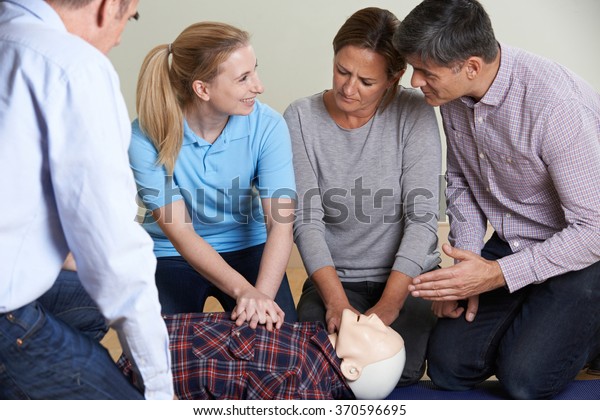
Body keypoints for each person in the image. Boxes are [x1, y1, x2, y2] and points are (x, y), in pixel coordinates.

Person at [393, 0, 600, 399]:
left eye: (425, 72)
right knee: (449, 369)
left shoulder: (556, 107)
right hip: (514, 242)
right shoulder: (451, 93)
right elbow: (461, 181)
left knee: (525, 381)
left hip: (585, 251)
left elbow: (594, 230)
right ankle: (541, 317)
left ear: (471, 65)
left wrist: (496, 276)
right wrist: (466, 266)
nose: (415, 82)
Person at [0, 0, 174, 399]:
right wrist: (161, 393)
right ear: (109, 6)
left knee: (90, 302)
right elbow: (117, 259)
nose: (118, 39)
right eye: (129, 19)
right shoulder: (72, 66)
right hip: (6, 317)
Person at [283, 7, 441, 386]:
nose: (348, 89)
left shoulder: (414, 111)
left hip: (408, 279)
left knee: (396, 372)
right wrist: (337, 302)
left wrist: (390, 306)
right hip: (338, 279)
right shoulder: (300, 117)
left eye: (366, 81)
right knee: (321, 365)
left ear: (393, 78)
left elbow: (422, 219)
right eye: (342, 71)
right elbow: (306, 220)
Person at [129, 21, 297, 328]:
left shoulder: (269, 126)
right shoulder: (145, 137)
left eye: (254, 71)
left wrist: (261, 298)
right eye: (243, 78)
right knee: (160, 350)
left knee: (279, 339)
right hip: (171, 254)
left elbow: (280, 225)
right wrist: (243, 290)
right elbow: (182, 234)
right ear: (202, 89)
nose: (258, 86)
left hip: (249, 246)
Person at [118, 309, 406, 400]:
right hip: (153, 335)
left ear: (352, 370)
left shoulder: (302, 386)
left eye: (379, 333)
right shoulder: (312, 341)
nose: (377, 319)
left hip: (143, 370)